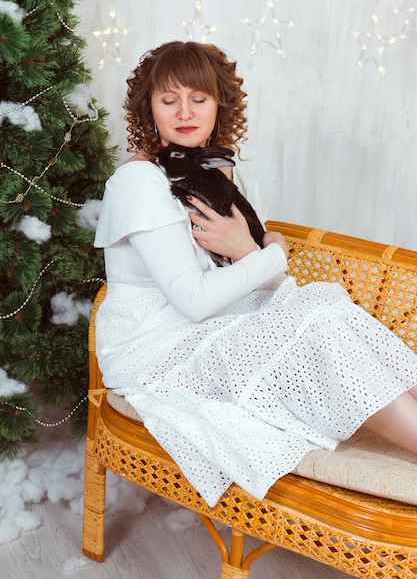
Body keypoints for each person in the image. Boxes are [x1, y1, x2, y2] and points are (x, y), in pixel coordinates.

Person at [94, 40, 417, 508]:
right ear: (149, 109)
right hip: (155, 350)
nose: (185, 112)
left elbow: (254, 279)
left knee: (325, 303)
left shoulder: (215, 173)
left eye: (198, 99)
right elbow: (195, 299)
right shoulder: (139, 181)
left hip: (213, 322)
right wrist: (272, 253)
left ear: (219, 105)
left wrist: (248, 249)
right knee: (318, 319)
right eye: (169, 100)